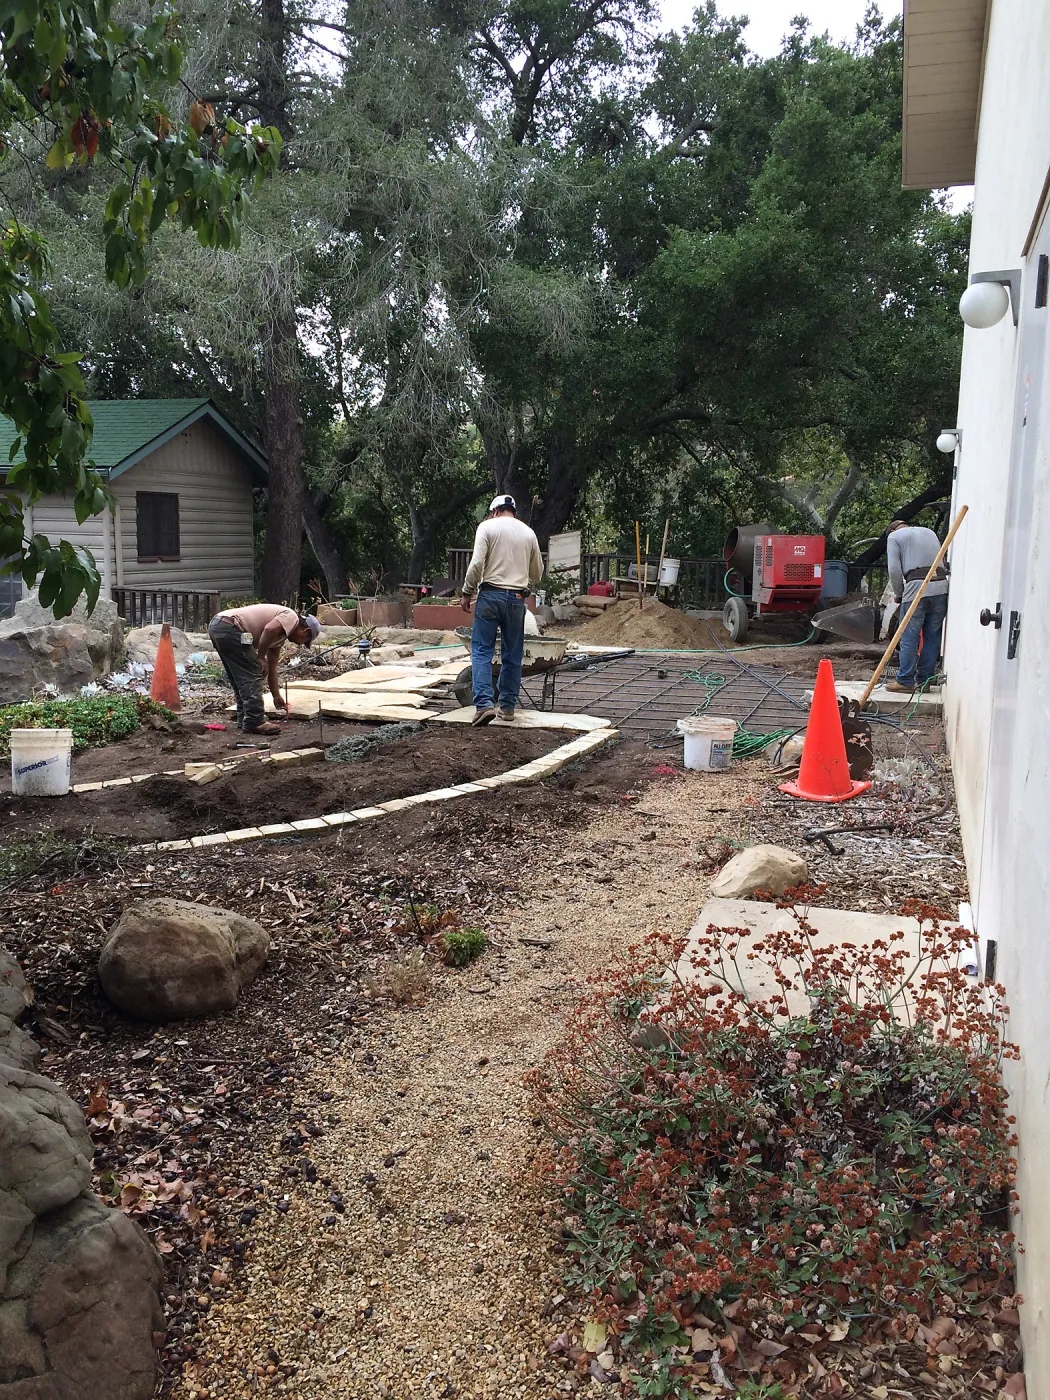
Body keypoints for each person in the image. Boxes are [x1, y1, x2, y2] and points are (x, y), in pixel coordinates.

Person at [460, 494, 544, 725]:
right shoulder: (528, 533)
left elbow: (476, 564)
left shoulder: (487, 527)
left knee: (481, 650)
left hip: (489, 596)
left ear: (494, 511)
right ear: (512, 511)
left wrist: (467, 592)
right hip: (517, 599)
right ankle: (507, 708)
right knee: (512, 654)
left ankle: (484, 705)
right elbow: (537, 573)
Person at [208, 603, 321, 734]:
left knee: (240, 677)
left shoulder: (279, 637)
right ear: (305, 631)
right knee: (253, 672)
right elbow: (268, 629)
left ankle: (244, 717)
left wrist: (276, 696)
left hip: (219, 625)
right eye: (305, 641)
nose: (300, 644)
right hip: (230, 627)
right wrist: (261, 657)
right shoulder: (291, 617)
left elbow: (272, 667)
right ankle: (255, 721)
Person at [885, 518, 949, 693]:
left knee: (909, 637)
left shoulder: (894, 538)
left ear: (891, 531)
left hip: (916, 589)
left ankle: (905, 680)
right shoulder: (929, 532)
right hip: (941, 587)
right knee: (932, 637)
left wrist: (899, 594)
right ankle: (924, 681)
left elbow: (894, 570)